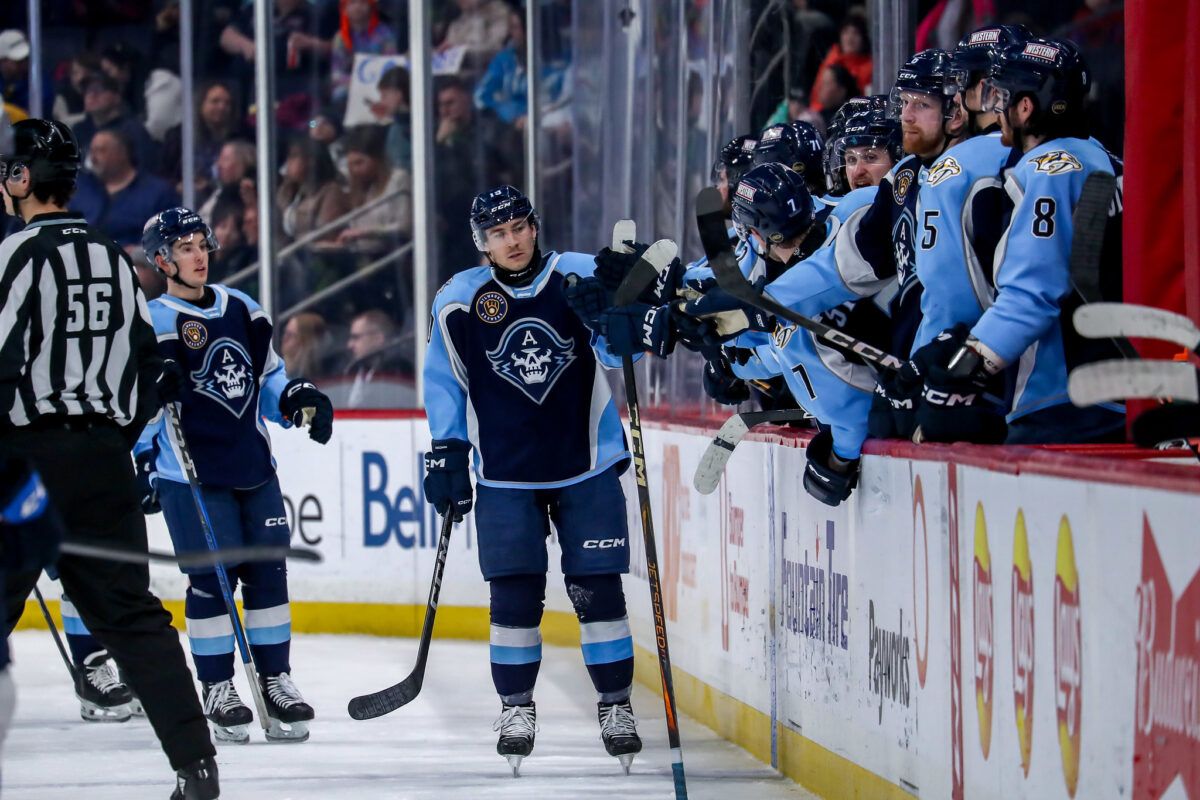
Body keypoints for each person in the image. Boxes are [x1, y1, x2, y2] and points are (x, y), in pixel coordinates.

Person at [0, 118, 218, 798]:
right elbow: (151, 372)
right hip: (101, 459)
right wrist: (107, 446)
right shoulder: (112, 256)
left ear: (20, 180)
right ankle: (196, 765)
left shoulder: (14, 256)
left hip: (26, 459)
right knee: (130, 616)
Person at [424, 185, 642, 774]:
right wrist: (445, 449)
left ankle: (616, 705)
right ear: (482, 243)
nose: (512, 241)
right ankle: (515, 707)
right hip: (504, 474)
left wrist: (621, 323)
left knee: (598, 591)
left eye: (519, 227)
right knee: (514, 598)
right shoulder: (460, 300)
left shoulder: (576, 274)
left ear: (534, 226)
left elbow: (624, 359)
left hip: (586, 462)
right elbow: (445, 381)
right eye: (498, 234)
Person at [135, 206, 334, 744]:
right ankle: (218, 685)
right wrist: (144, 443)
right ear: (161, 260)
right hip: (191, 475)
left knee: (269, 576)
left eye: (202, 244)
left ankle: (275, 679)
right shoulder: (150, 321)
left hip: (252, 466)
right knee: (212, 582)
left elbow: (269, 379)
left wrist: (297, 398)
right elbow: (135, 407)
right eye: (184, 248)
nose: (198, 256)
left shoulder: (244, 309)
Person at [945, 37, 1125, 444]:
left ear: (1026, 107)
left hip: (1061, 400)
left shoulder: (1051, 168)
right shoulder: (1101, 156)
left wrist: (969, 363)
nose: (996, 109)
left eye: (1001, 97)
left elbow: (1033, 291)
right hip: (1113, 388)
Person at [897, 24, 1031, 444]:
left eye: (964, 84)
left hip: (988, 382)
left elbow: (951, 302)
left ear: (992, 89)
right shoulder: (1095, 155)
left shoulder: (955, 170)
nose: (957, 98)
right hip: (1092, 377)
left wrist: (923, 368)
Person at [72, 128, 180, 248]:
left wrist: (139, 253)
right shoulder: (81, 190)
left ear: (122, 153)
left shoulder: (158, 192)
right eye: (92, 151)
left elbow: (171, 237)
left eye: (101, 151)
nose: (93, 158)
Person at [277, 137, 349, 245]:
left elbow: (327, 233)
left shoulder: (331, 191)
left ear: (311, 160)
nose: (288, 163)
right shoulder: (293, 192)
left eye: (293, 157)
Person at [330, 0, 398, 105]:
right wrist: (357, 83)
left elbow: (391, 65)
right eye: (352, 3)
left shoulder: (385, 34)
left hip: (380, 84)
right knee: (339, 94)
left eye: (362, 2)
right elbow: (337, 74)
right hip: (351, 86)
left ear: (371, 6)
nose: (358, 7)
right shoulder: (341, 38)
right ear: (344, 9)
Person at [342, 309, 413, 408]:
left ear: (378, 339)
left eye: (356, 337)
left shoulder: (396, 371)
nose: (349, 345)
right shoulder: (349, 371)